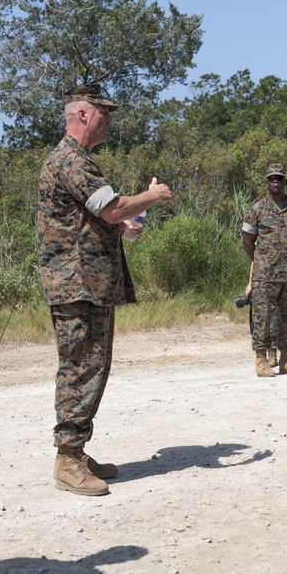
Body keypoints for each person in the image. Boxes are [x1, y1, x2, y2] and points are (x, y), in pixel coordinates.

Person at [38, 83, 176, 497]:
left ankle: (76, 452)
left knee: (93, 366)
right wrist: (153, 196)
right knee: (81, 367)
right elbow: (113, 208)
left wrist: (126, 224)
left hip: (90, 285)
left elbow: (105, 215)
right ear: (83, 114)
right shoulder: (71, 160)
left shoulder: (80, 161)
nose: (111, 120)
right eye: (105, 113)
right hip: (77, 285)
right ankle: (67, 458)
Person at [241, 163, 287, 377]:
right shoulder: (257, 209)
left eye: (280, 178)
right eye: (272, 178)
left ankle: (286, 360)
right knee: (262, 318)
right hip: (265, 275)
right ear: (267, 183)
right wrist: (261, 262)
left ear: (286, 182)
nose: (276, 182)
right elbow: (247, 241)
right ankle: (261, 360)